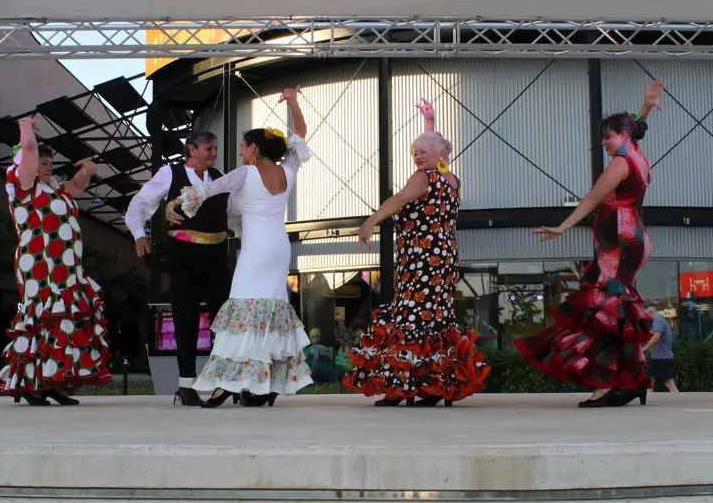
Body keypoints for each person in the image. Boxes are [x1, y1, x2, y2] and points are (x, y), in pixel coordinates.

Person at [516, 80, 665, 408]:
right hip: (633, 237)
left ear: (621, 135)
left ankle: (611, 382)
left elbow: (594, 198)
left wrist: (562, 227)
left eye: (608, 136)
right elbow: (636, 130)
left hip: (618, 242)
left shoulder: (620, 163)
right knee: (616, 311)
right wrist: (645, 106)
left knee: (604, 310)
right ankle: (631, 380)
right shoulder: (638, 157)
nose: (604, 143)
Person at [167, 87, 312, 406]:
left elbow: (207, 189)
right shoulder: (288, 169)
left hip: (257, 249)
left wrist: (175, 202)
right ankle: (265, 385)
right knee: (271, 313)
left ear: (254, 148)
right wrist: (294, 103)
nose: (240, 151)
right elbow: (300, 135)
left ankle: (229, 382)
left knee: (240, 313)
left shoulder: (246, 173)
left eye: (244, 146)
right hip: (279, 247)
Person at [344, 98, 491, 407]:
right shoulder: (450, 179)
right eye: (414, 153)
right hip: (443, 259)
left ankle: (404, 387)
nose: (417, 157)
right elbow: (440, 153)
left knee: (411, 319)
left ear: (438, 154)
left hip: (421, 260)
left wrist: (370, 221)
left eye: (422, 152)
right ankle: (433, 387)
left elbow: (399, 199)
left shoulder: (422, 178)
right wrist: (430, 127)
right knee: (434, 319)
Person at [0, 114, 111, 406]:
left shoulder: (54, 188)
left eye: (49, 163)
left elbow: (77, 185)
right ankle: (31, 384)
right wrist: (25, 127)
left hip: (65, 267)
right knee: (43, 316)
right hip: (41, 264)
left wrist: (90, 168)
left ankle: (49, 381)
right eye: (43, 163)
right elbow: (29, 149)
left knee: (59, 321)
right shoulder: (22, 184)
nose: (47, 167)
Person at [125, 130, 233, 407]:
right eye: (209, 148)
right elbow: (140, 203)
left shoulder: (221, 178)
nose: (213, 153)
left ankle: (224, 381)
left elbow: (235, 214)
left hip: (217, 254)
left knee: (223, 318)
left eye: (215, 148)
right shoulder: (170, 173)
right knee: (186, 315)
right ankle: (186, 384)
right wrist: (139, 232)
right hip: (183, 254)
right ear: (191, 149)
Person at [643, 305, 678, 392]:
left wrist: (644, 350)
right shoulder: (660, 321)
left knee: (668, 383)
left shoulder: (658, 321)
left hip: (662, 358)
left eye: (646, 315)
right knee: (650, 382)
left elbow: (656, 338)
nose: (646, 318)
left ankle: (678, 400)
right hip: (658, 358)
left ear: (651, 313)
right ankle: (648, 400)